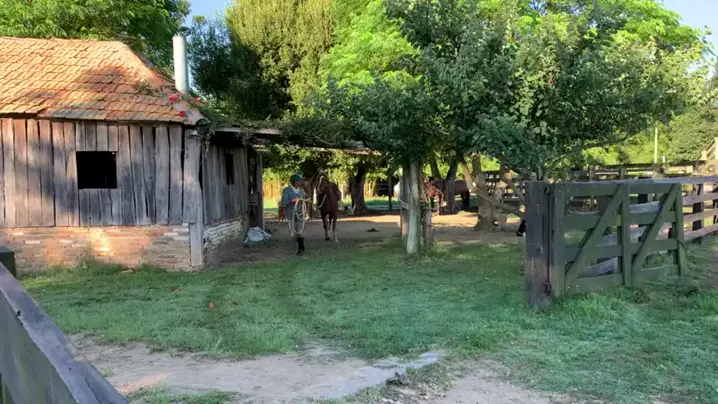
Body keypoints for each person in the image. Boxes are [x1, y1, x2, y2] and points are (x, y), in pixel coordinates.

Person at [281, 174, 307, 255]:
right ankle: (298, 243)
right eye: (299, 181)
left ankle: (301, 248)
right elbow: (284, 203)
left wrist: (304, 201)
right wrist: (292, 201)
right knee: (292, 233)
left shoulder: (301, 191)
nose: (300, 182)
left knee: (300, 230)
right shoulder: (287, 190)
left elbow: (303, 200)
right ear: (294, 182)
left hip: (299, 213)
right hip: (290, 213)